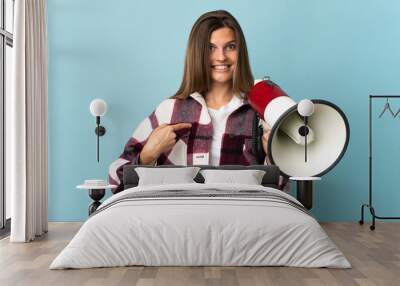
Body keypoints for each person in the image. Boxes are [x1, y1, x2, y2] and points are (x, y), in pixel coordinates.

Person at [109, 10, 280, 194]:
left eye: (230, 46)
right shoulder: (170, 111)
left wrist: (273, 156)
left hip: (240, 217)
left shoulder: (262, 112)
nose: (221, 57)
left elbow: (282, 188)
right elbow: (115, 179)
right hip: (178, 217)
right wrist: (148, 154)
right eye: (210, 48)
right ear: (197, 54)